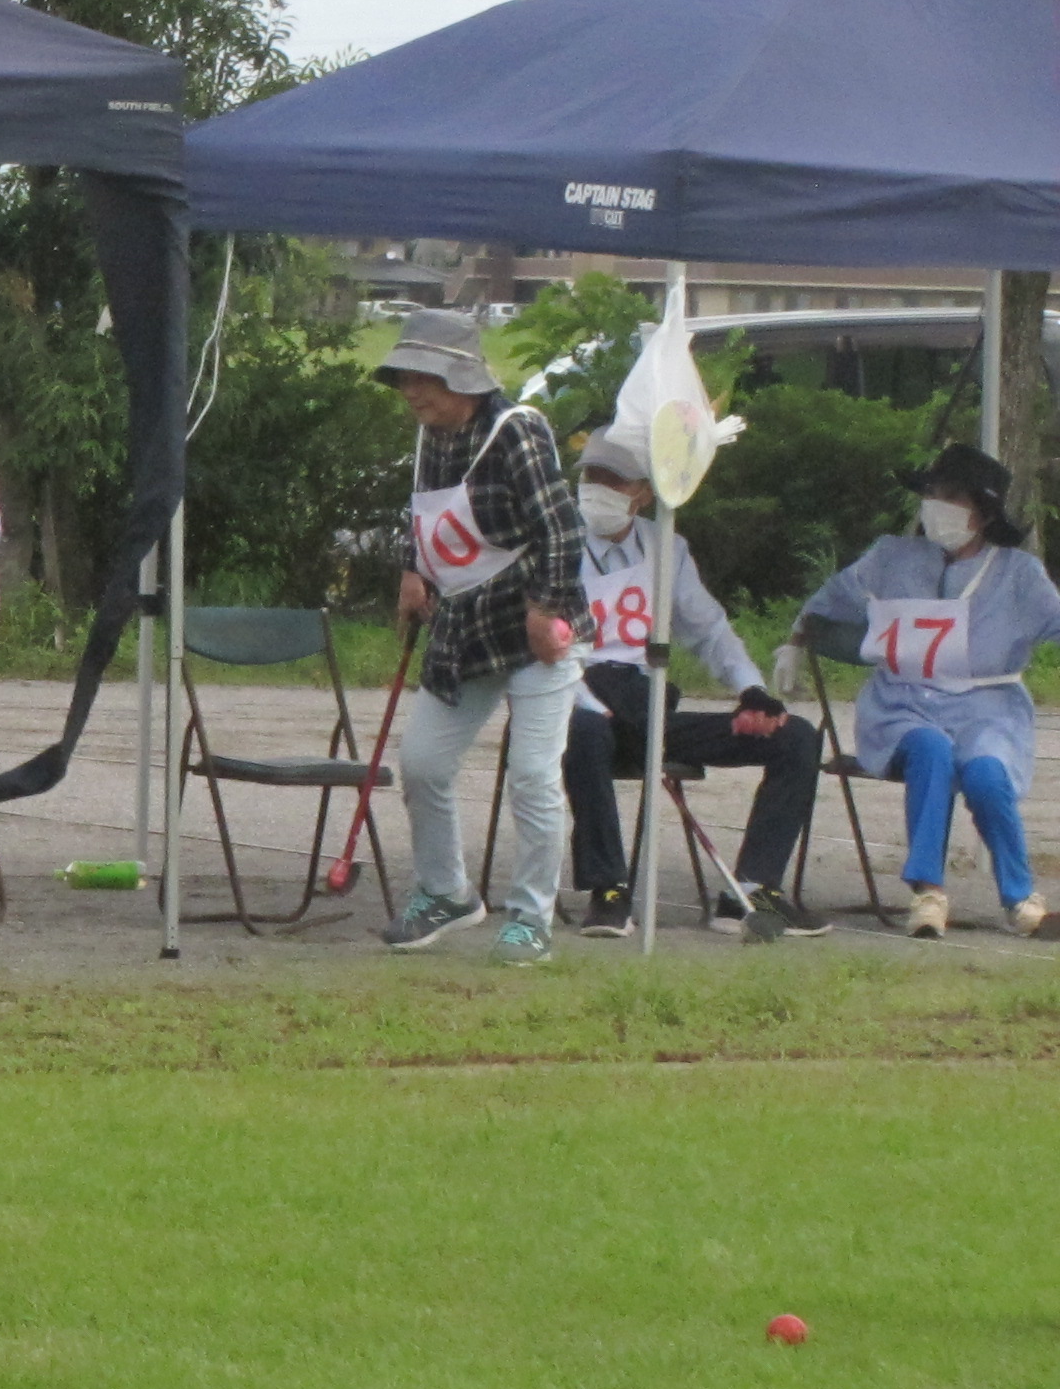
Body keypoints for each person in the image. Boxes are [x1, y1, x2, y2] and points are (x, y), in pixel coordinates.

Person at [560, 427, 826, 939]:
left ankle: (750, 887)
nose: (596, 488)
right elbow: (534, 646)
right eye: (590, 476)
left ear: (642, 491)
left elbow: (707, 629)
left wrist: (749, 689)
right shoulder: (557, 542)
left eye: (612, 480)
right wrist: (585, 697)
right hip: (573, 697)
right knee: (588, 729)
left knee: (794, 736)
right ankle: (608, 888)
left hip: (645, 702)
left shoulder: (668, 547)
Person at [789, 442, 1060, 939]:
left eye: (951, 495)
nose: (936, 503)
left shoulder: (1020, 574)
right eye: (932, 492)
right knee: (931, 750)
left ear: (982, 511)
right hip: (903, 702)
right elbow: (828, 603)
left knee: (985, 773)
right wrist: (795, 640)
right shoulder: (890, 557)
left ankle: (1020, 896)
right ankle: (928, 891)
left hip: (988, 709)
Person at [377, 310, 582, 968]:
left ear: (463, 378)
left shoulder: (515, 432)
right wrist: (415, 567)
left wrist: (543, 608)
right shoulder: (430, 438)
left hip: (534, 630)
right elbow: (427, 511)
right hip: (464, 630)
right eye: (406, 378)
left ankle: (531, 917)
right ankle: (446, 893)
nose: (413, 391)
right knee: (423, 764)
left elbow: (561, 530)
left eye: (426, 378)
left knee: (531, 777)